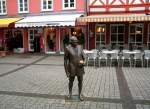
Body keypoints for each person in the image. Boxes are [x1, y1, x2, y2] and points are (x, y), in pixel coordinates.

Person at [64, 36, 85, 101]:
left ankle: (80, 94)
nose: (76, 43)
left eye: (77, 41)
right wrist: (66, 71)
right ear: (71, 42)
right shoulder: (68, 48)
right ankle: (70, 93)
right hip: (72, 67)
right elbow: (65, 60)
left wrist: (84, 62)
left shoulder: (80, 47)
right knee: (71, 81)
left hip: (80, 67)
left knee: (80, 81)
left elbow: (84, 57)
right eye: (75, 42)